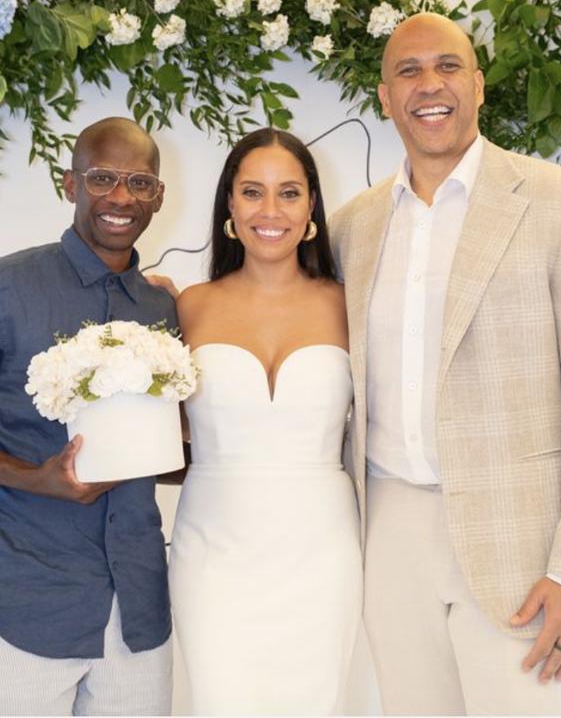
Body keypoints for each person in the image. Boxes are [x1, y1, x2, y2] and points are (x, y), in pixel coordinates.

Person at [329, 13, 561, 715]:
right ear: (384, 97)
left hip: (521, 549)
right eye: (408, 71)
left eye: (446, 67)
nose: (428, 85)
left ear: (476, 85)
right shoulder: (354, 225)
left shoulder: (559, 203)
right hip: (389, 538)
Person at [0, 117, 176, 716]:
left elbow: (161, 450)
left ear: (158, 196)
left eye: (139, 182)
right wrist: (31, 477)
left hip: (136, 606)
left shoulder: (161, 308)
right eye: (102, 178)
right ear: (70, 184)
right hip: (23, 597)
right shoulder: (1, 289)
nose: (121, 197)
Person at [168, 128, 362, 715]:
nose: (270, 211)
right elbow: (157, 432)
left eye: (289, 193)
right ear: (229, 203)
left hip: (323, 549)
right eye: (252, 192)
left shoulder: (351, 303)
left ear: (312, 208)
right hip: (212, 550)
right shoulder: (185, 305)